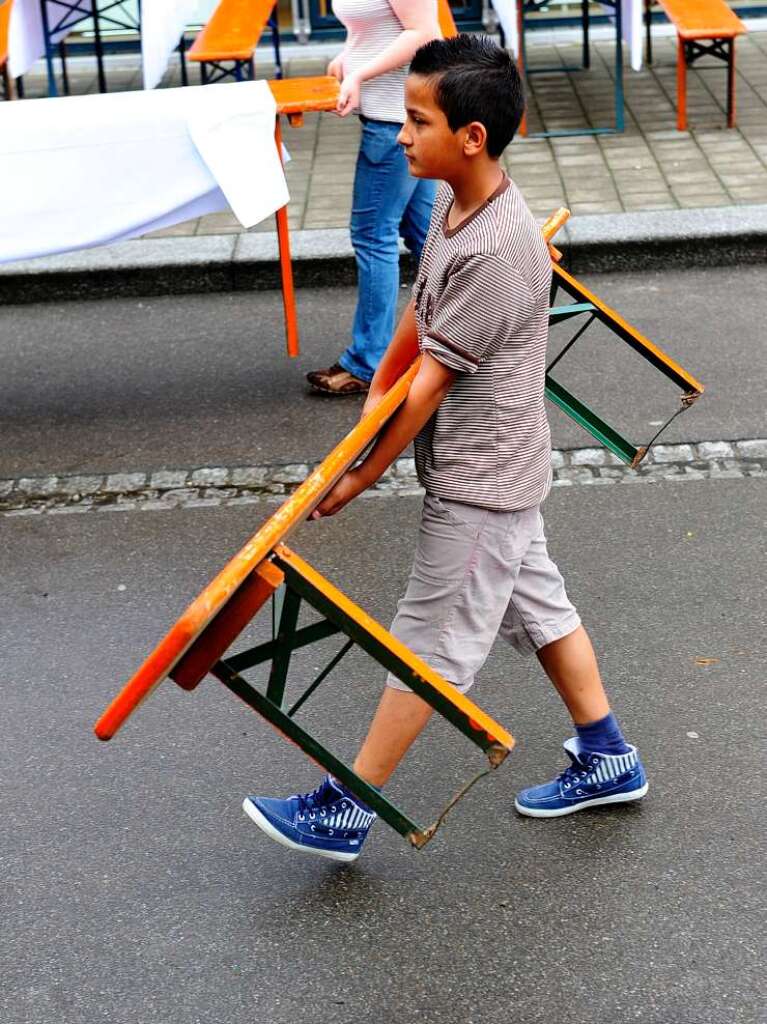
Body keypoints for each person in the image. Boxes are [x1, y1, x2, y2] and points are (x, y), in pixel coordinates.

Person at [244, 34, 648, 861]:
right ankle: (606, 755)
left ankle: (346, 808)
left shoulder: (501, 249)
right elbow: (418, 321)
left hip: (481, 480)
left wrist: (358, 478)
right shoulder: (452, 206)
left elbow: (427, 385)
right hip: (498, 467)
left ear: (471, 137)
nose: (401, 135)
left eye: (417, 121)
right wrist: (364, 420)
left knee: (427, 641)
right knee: (538, 608)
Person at [306, 0, 441, 396]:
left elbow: (423, 34)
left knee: (373, 236)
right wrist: (347, 57)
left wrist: (360, 74)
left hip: (395, 124)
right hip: (393, 118)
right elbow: (372, 26)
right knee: (431, 239)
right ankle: (474, 331)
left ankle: (368, 362)